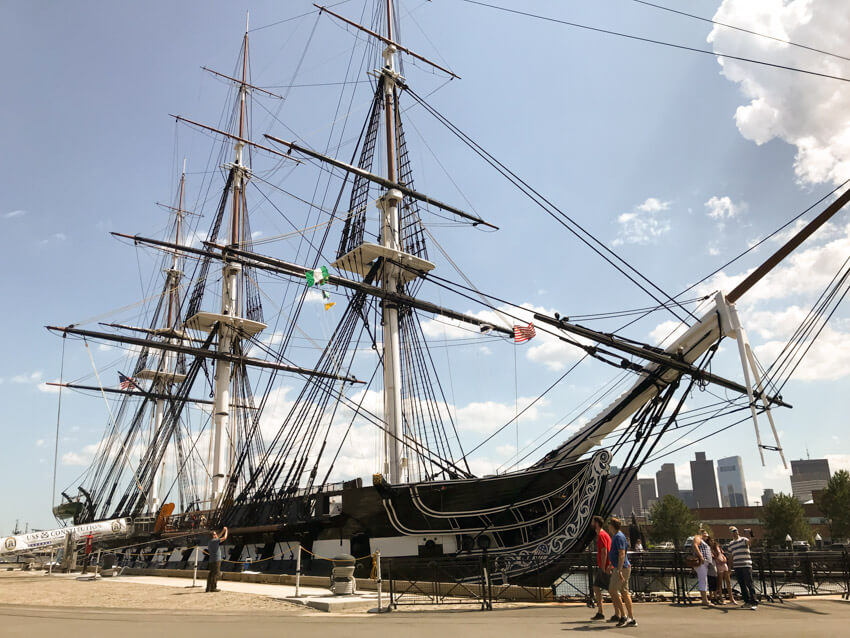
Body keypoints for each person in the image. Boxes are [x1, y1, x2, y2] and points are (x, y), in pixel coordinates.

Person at [607, 517, 637, 627]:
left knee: (613, 590)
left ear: (612, 526)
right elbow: (616, 553)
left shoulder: (618, 537)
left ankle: (623, 616)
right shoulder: (617, 536)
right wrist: (611, 564)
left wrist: (619, 569)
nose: (608, 526)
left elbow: (622, 553)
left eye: (609, 524)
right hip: (622, 566)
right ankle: (631, 618)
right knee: (624, 591)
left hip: (622, 568)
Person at [726, 526, 757, 610]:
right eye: (732, 531)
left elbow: (750, 542)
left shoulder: (743, 539)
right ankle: (747, 601)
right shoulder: (731, 544)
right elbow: (730, 556)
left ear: (738, 531)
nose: (734, 532)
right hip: (737, 566)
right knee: (742, 584)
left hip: (746, 564)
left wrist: (751, 534)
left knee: (749, 583)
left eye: (735, 530)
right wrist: (729, 567)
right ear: (730, 533)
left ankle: (754, 602)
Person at [589, 515, 612, 621]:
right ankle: (600, 611)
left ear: (596, 523)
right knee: (596, 587)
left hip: (605, 567)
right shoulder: (603, 534)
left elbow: (604, 552)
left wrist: (603, 567)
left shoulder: (601, 535)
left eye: (593, 522)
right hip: (605, 566)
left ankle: (620, 614)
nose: (591, 524)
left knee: (612, 591)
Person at [691, 529, 715, 607]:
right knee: (703, 581)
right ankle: (705, 600)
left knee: (704, 580)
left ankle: (705, 599)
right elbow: (695, 545)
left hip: (705, 563)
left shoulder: (704, 541)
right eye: (705, 533)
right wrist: (701, 556)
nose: (706, 535)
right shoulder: (698, 537)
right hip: (702, 563)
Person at [710, 537, 736, 605]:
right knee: (720, 583)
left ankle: (731, 598)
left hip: (724, 564)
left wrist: (724, 558)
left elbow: (722, 554)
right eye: (710, 541)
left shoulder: (718, 547)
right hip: (718, 565)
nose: (712, 542)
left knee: (728, 581)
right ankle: (721, 598)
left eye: (713, 540)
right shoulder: (710, 549)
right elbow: (713, 557)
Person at [206, 526, 228, 593]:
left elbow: (218, 537)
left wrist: (223, 530)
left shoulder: (210, 542)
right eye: (215, 534)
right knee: (216, 574)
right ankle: (213, 588)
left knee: (211, 574)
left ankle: (208, 588)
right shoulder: (215, 541)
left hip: (211, 560)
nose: (216, 535)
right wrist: (226, 531)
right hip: (216, 560)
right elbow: (224, 538)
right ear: (213, 536)